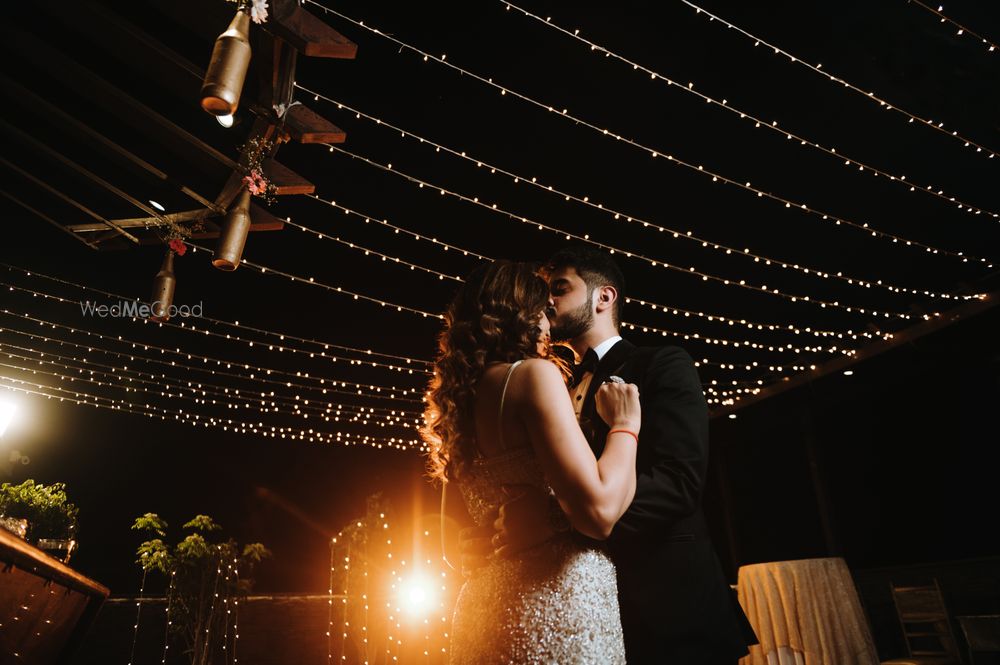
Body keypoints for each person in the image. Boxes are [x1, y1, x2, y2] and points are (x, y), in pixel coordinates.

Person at [482, 245, 757, 664]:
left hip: (672, 609)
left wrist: (561, 520)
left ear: (603, 297)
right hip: (587, 614)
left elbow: (678, 483)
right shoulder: (548, 384)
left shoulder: (662, 364)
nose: (547, 302)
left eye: (560, 288)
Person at [422, 259, 643, 664]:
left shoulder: (457, 405)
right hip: (558, 606)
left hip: (486, 608)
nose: (549, 322)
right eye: (543, 310)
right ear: (520, 314)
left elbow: (454, 546)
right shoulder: (532, 377)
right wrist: (625, 427)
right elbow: (599, 513)